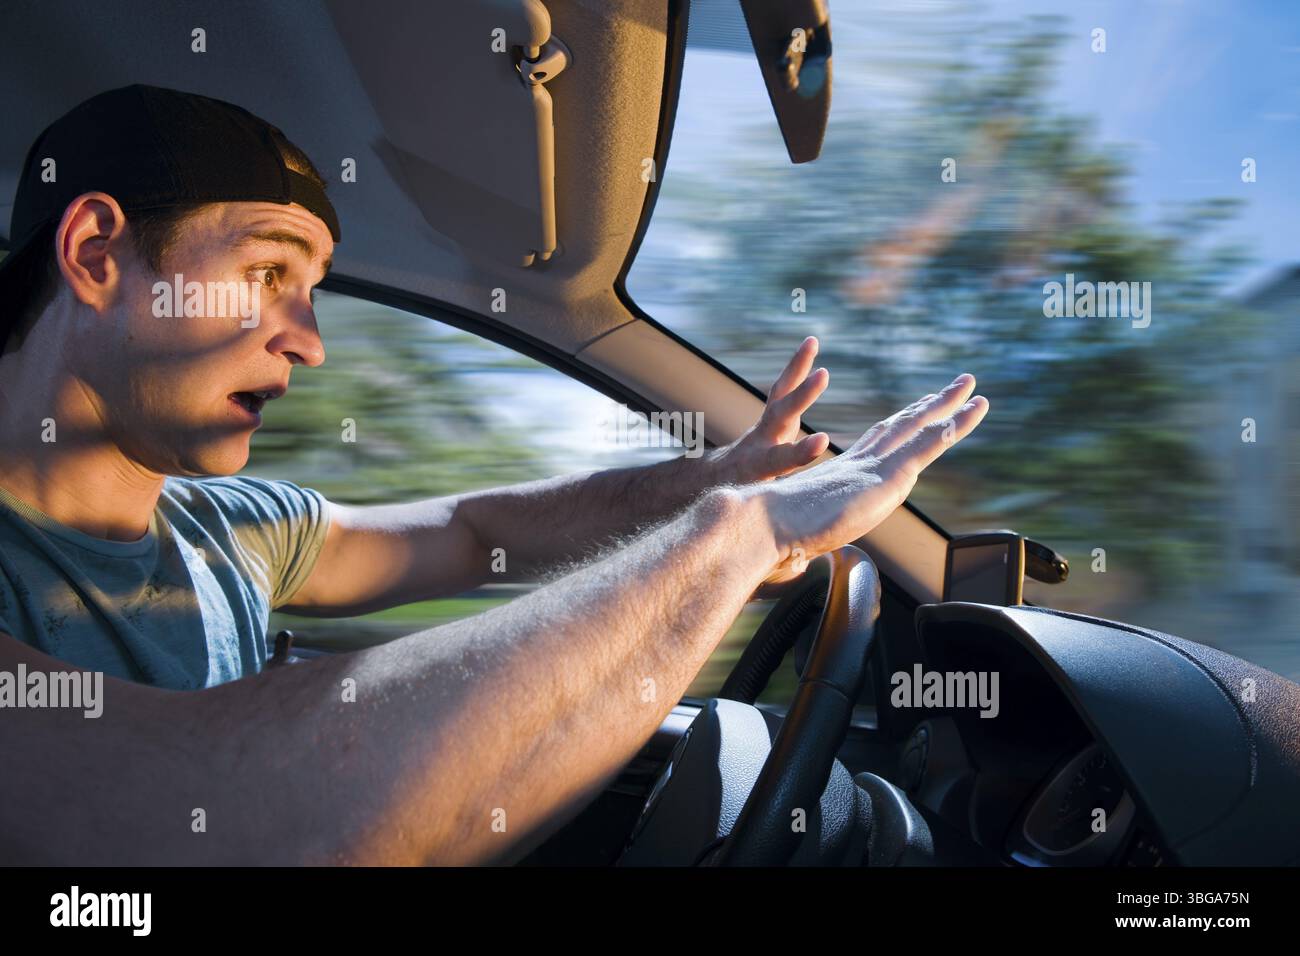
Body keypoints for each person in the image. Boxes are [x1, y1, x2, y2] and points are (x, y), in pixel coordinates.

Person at [0, 85, 988, 864]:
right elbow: (214, 827)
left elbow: (477, 529)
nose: (309, 343)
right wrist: (733, 537)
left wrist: (709, 482)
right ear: (97, 254)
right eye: (269, 274)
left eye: (311, 292)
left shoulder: (235, 525)